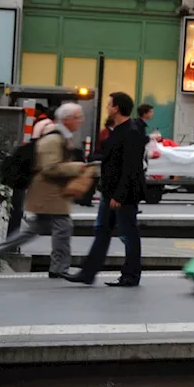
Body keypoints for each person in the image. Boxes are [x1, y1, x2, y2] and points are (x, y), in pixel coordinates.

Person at [0, 104, 93, 278]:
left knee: (34, 229)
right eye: (78, 117)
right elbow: (50, 168)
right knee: (63, 228)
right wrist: (76, 167)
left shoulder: (60, 136)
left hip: (50, 193)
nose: (81, 121)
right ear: (67, 119)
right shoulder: (54, 139)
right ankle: (59, 268)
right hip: (50, 194)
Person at [63, 92, 147, 287]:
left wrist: (119, 194)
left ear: (117, 108)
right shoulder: (118, 130)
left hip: (122, 193)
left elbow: (130, 167)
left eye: (110, 104)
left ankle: (131, 275)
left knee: (127, 233)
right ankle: (88, 273)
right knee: (102, 230)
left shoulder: (131, 131)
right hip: (110, 190)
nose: (107, 107)